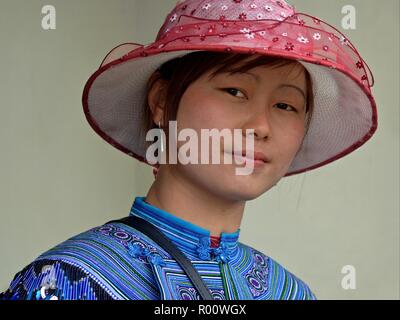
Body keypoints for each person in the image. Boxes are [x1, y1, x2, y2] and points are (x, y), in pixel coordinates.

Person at [1, 0, 377, 300]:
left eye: (286, 106)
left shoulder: (291, 293)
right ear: (162, 100)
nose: (261, 126)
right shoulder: (69, 281)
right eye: (235, 91)